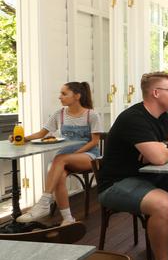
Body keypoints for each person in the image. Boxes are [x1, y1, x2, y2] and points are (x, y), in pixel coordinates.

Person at [97, 72, 168, 260]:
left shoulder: (163, 116)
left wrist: (165, 147)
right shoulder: (133, 118)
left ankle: (162, 226)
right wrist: (167, 147)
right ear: (156, 93)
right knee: (163, 203)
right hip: (117, 182)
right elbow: (158, 158)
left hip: (149, 176)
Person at [14, 82, 102, 225]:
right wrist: (24, 138)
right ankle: (68, 219)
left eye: (64, 93)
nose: (59, 97)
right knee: (59, 175)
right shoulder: (59, 114)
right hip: (65, 157)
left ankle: (43, 204)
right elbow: (42, 133)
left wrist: (74, 155)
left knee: (60, 159)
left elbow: (94, 141)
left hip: (88, 155)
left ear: (77, 96)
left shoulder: (91, 115)